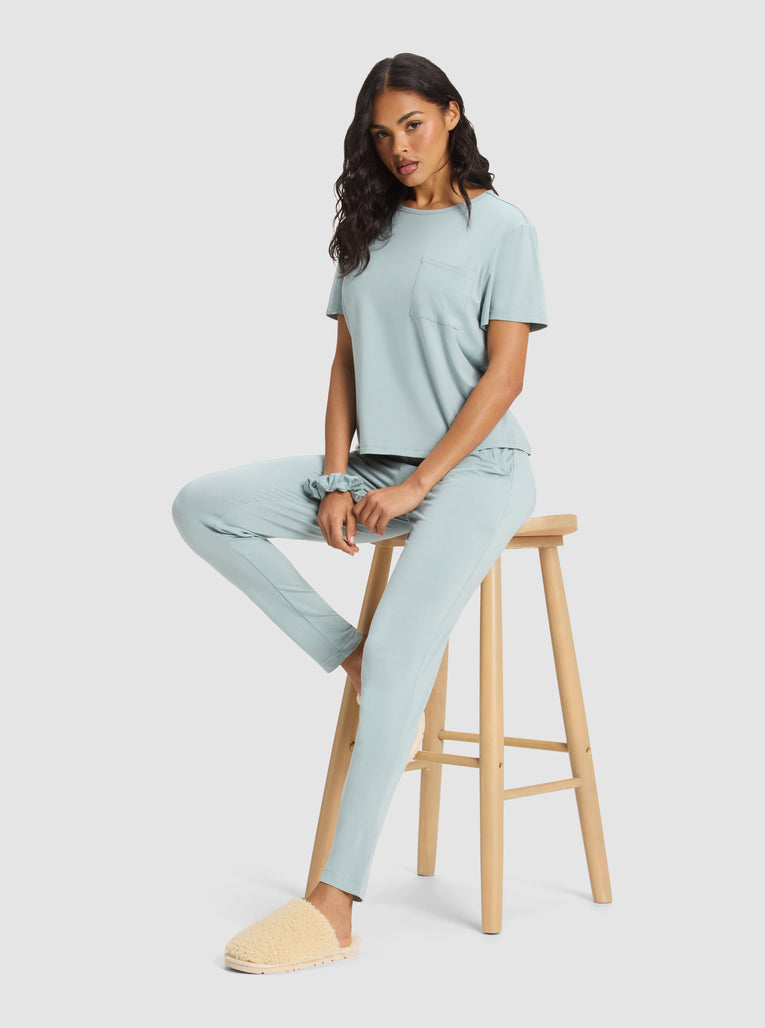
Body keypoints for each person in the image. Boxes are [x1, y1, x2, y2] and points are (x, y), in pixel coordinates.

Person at [171, 51, 548, 974]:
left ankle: (334, 905)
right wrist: (339, 480)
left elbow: (504, 379)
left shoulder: (503, 227)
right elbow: (343, 369)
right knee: (202, 506)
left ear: (452, 116)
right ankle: (350, 653)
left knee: (400, 660)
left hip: (479, 470)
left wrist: (419, 487)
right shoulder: (367, 230)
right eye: (382, 135)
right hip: (377, 464)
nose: (399, 147)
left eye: (413, 126)